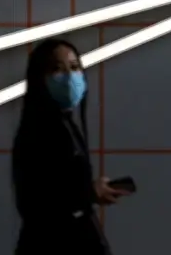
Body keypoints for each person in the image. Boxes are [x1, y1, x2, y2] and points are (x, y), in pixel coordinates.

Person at [12, 38, 131, 254]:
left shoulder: (66, 126)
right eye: (58, 70)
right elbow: (36, 203)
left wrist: (88, 192)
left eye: (75, 68)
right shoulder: (37, 132)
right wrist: (88, 193)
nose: (69, 77)